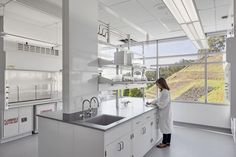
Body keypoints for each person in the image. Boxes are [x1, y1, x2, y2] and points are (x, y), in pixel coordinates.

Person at [146, 78, 173, 148]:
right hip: (166, 113)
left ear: (161, 83)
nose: (157, 86)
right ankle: (167, 142)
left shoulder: (165, 92)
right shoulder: (164, 91)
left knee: (165, 128)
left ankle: (164, 143)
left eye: (158, 84)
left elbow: (163, 103)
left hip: (165, 113)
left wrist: (155, 104)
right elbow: (158, 99)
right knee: (167, 127)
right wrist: (151, 102)